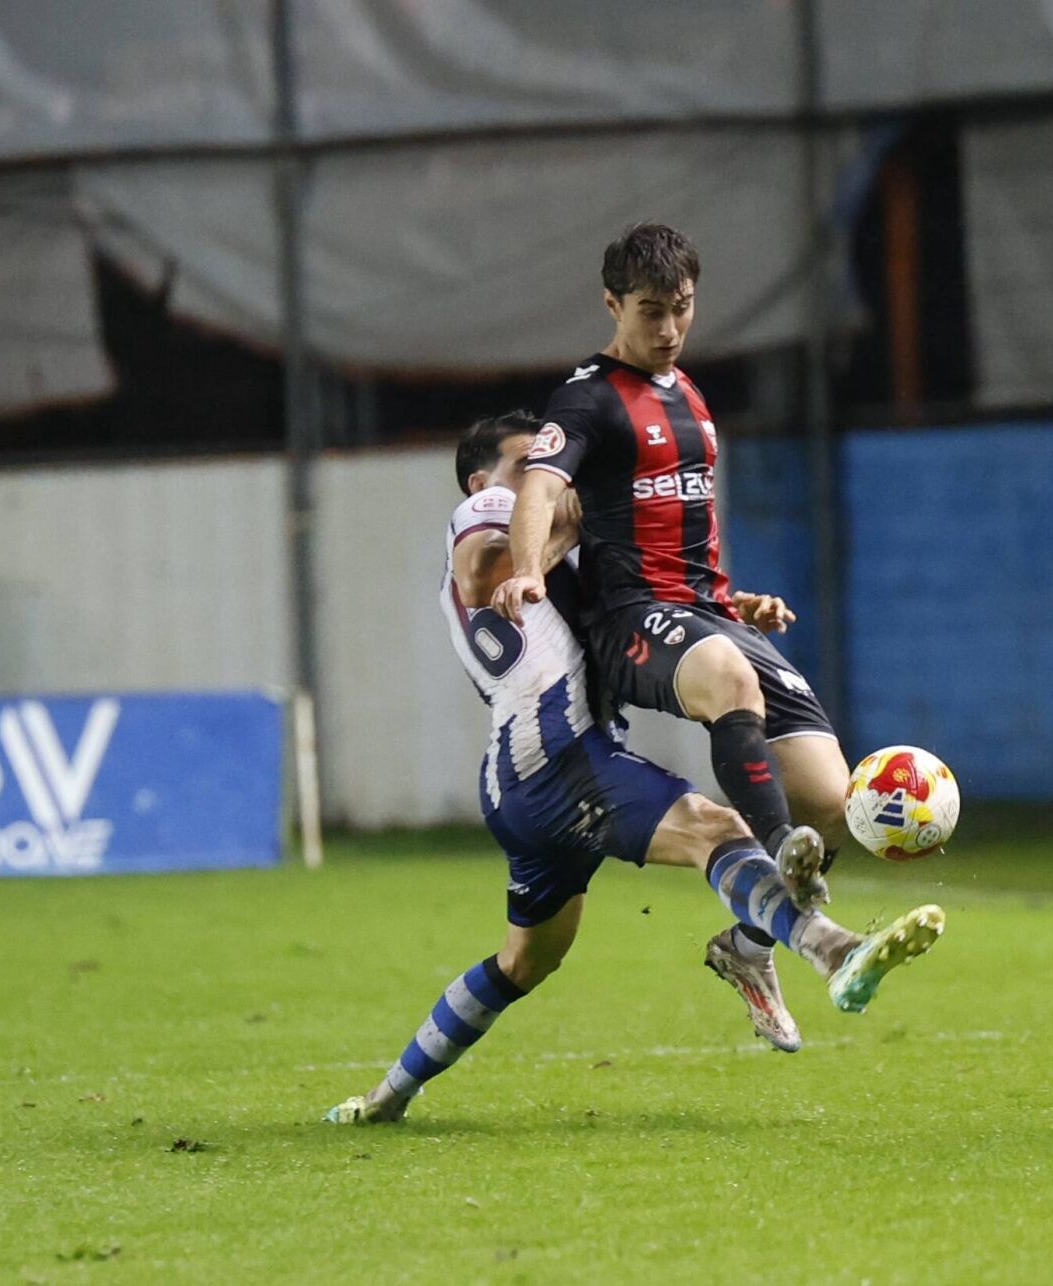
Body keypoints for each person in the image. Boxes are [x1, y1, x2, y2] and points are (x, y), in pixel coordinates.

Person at [324, 415, 943, 1125]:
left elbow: (609, 619)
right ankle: (830, 949)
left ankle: (384, 1098)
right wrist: (571, 525)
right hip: (558, 760)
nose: (549, 477)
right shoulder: (487, 511)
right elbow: (481, 574)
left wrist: (726, 613)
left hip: (525, 777)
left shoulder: (559, 555)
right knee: (718, 828)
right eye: (530, 464)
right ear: (479, 480)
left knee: (525, 961)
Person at [489, 224, 853, 915]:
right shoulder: (587, 398)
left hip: (709, 615)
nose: (669, 327)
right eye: (650, 311)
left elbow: (678, 523)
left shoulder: (687, 392)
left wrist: (736, 603)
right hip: (633, 618)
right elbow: (538, 489)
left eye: (681, 307)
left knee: (835, 805)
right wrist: (531, 567)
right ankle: (782, 853)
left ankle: (748, 947)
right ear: (612, 305)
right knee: (729, 678)